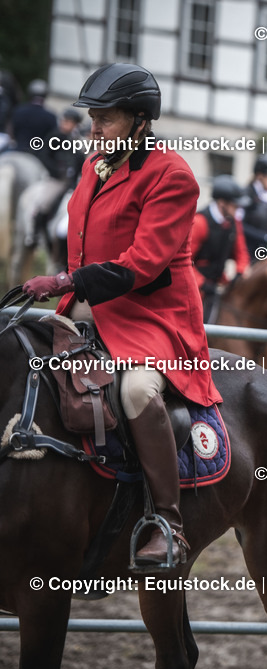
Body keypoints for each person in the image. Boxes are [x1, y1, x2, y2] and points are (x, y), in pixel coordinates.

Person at [21, 63, 221, 571]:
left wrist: (66, 281)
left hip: (152, 317)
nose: (94, 130)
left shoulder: (173, 175)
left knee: (135, 391)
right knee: (18, 350)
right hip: (87, 306)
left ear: (140, 121)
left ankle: (167, 521)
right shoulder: (95, 162)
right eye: (92, 119)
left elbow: (142, 264)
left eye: (105, 120)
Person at [191, 174, 251, 321]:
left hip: (218, 283)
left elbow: (241, 253)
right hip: (196, 287)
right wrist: (202, 284)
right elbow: (184, 261)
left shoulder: (234, 222)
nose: (238, 210)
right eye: (235, 206)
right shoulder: (200, 223)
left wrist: (240, 272)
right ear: (222, 203)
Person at [30, 107, 86, 246]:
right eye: (64, 120)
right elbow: (43, 155)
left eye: (68, 121)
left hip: (72, 182)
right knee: (44, 204)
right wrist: (56, 171)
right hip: (56, 180)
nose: (64, 124)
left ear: (75, 124)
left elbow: (80, 161)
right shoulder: (55, 136)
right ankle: (34, 235)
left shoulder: (77, 140)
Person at [10, 78, 57, 162]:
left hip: (17, 151)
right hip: (38, 156)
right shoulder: (50, 116)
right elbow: (52, 141)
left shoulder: (18, 111)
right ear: (45, 95)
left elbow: (13, 132)